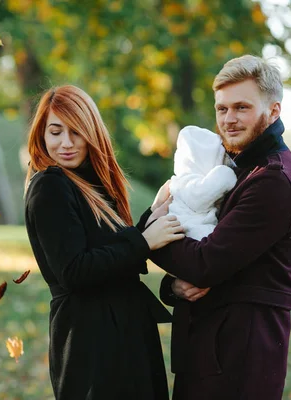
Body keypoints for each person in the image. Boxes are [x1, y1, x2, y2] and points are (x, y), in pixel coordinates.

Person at [139, 55, 291, 399]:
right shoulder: (241, 166)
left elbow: (205, 263)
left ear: (273, 111)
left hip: (241, 361)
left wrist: (150, 226)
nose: (229, 120)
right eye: (222, 109)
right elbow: (215, 254)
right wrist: (174, 287)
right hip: (210, 351)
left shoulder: (272, 179)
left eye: (242, 108)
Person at [24, 85, 184, 399]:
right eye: (55, 132)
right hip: (91, 341)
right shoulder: (51, 185)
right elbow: (74, 270)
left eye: (76, 132)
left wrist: (151, 216)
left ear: (92, 134)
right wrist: (143, 242)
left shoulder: (88, 183)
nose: (66, 143)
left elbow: (106, 248)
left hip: (121, 334)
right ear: (41, 135)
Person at [167, 125, 237, 240]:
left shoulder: (184, 180)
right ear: (205, 159)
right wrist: (225, 172)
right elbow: (199, 198)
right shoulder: (187, 182)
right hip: (186, 226)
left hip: (191, 225)